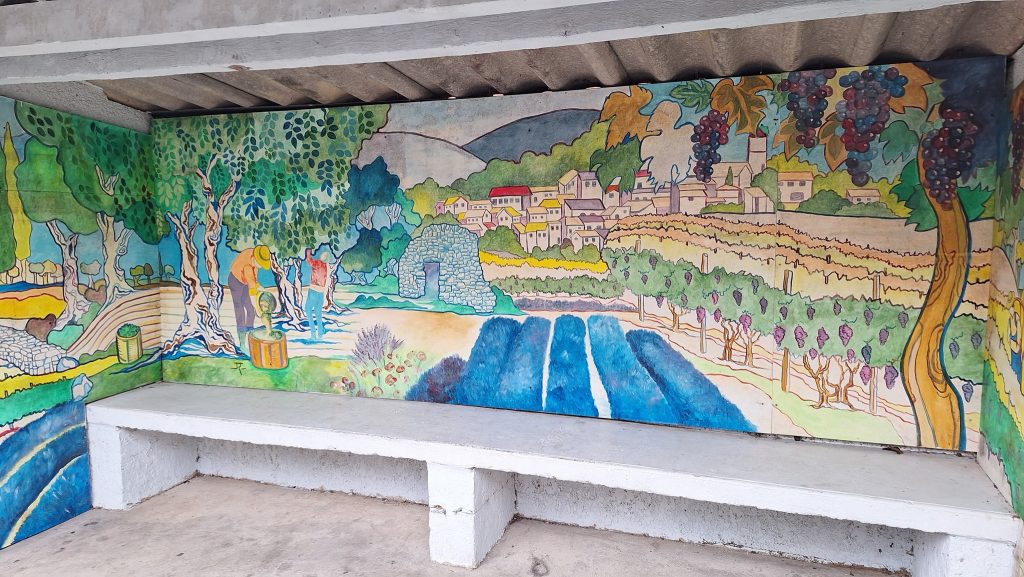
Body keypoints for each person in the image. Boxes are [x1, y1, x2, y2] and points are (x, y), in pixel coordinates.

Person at [228, 245, 271, 346]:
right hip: (235, 280)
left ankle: (250, 332)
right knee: (240, 309)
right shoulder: (247, 266)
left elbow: (253, 281)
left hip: (245, 281)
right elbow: (252, 291)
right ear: (255, 259)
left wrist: (261, 288)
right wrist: (259, 310)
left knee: (250, 310)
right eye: (260, 264)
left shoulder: (256, 255)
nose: (261, 266)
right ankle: (242, 340)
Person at [305, 247, 330, 341]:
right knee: (318, 313)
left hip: (314, 291)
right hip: (321, 293)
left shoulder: (318, 263)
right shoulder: (325, 266)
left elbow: (309, 261)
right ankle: (320, 334)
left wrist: (308, 251)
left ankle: (313, 334)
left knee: (308, 309)